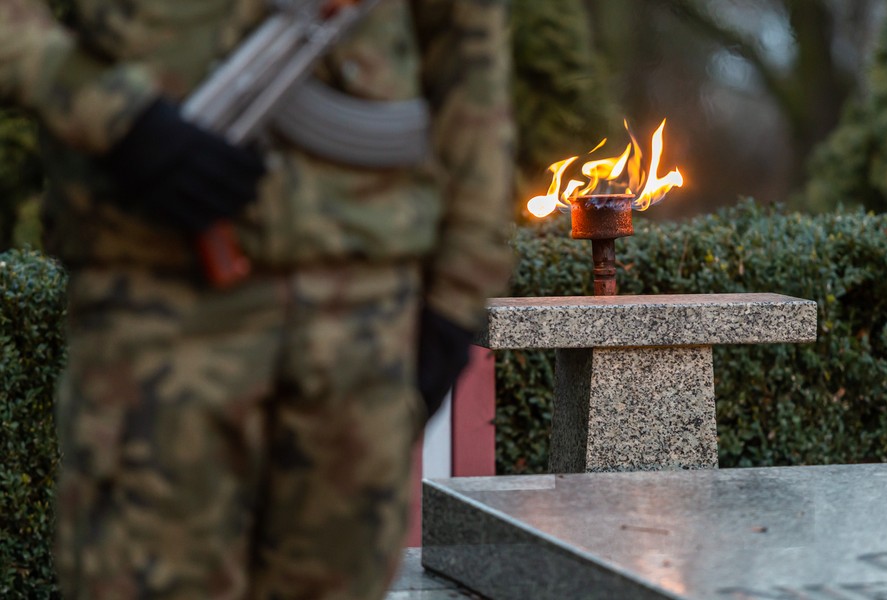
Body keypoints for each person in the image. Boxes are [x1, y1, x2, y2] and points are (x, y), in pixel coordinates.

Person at [0, 0, 515, 597]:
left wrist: (457, 300)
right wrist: (116, 117)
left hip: (361, 324)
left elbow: (470, 62)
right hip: (156, 310)